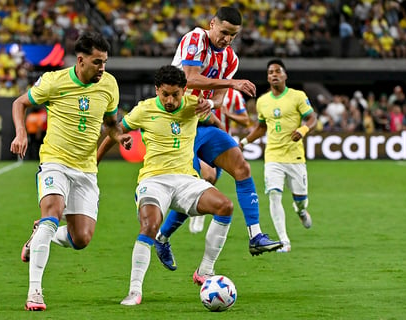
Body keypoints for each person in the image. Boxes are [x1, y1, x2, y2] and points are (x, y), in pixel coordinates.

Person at [10, 31, 132, 311]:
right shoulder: (54, 81)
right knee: (52, 213)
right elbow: (20, 103)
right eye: (98, 62)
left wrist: (119, 135)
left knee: (82, 239)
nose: (103, 68)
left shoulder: (109, 85)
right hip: (55, 161)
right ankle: (35, 292)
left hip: (86, 170)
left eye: (105, 62)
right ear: (80, 60)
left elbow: (111, 123)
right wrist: (21, 133)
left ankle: (39, 235)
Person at [155, 6, 282, 274]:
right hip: (176, 125)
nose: (226, 39)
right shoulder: (195, 39)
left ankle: (256, 235)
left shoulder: (231, 59)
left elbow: (220, 100)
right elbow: (189, 77)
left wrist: (211, 102)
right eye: (224, 32)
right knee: (199, 184)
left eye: (232, 35)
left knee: (241, 167)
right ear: (212, 24)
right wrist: (232, 84)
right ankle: (162, 237)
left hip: (201, 124)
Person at [96, 65, 233, 306]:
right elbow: (114, 131)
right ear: (157, 89)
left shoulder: (194, 105)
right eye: (165, 94)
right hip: (154, 180)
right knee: (150, 225)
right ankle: (134, 291)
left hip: (187, 181)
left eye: (175, 94)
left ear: (184, 91)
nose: (170, 100)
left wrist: (224, 147)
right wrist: (94, 162)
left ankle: (205, 271)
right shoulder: (144, 109)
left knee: (225, 206)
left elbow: (214, 123)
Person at [239, 59, 317, 253]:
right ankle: (284, 241)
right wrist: (243, 143)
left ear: (284, 75)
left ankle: (300, 210)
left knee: (300, 199)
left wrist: (304, 129)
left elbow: (312, 118)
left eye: (277, 71)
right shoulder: (262, 101)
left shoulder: (298, 96)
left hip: (295, 157)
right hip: (273, 156)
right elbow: (261, 127)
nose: (273, 74)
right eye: (270, 72)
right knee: (274, 195)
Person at [188, 88, 251, 234]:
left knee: (211, 180)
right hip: (198, 138)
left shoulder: (234, 95)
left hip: (221, 142)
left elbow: (246, 120)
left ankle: (198, 211)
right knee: (207, 176)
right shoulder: (198, 88)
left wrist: (227, 113)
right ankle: (195, 213)